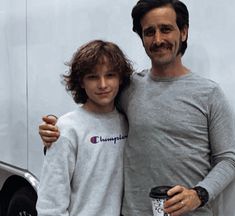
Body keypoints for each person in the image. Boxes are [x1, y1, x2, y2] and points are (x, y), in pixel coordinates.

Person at [39, 0, 235, 215]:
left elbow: (228, 159)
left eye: (166, 29)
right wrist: (54, 135)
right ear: (142, 38)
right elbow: (93, 119)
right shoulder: (128, 89)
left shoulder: (209, 94)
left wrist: (199, 194)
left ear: (184, 32)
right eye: (149, 32)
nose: (158, 39)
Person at [36, 39, 133, 216]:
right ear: (81, 82)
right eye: (93, 77)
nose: (103, 85)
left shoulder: (129, 122)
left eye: (110, 75)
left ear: (120, 78)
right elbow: (50, 204)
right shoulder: (66, 129)